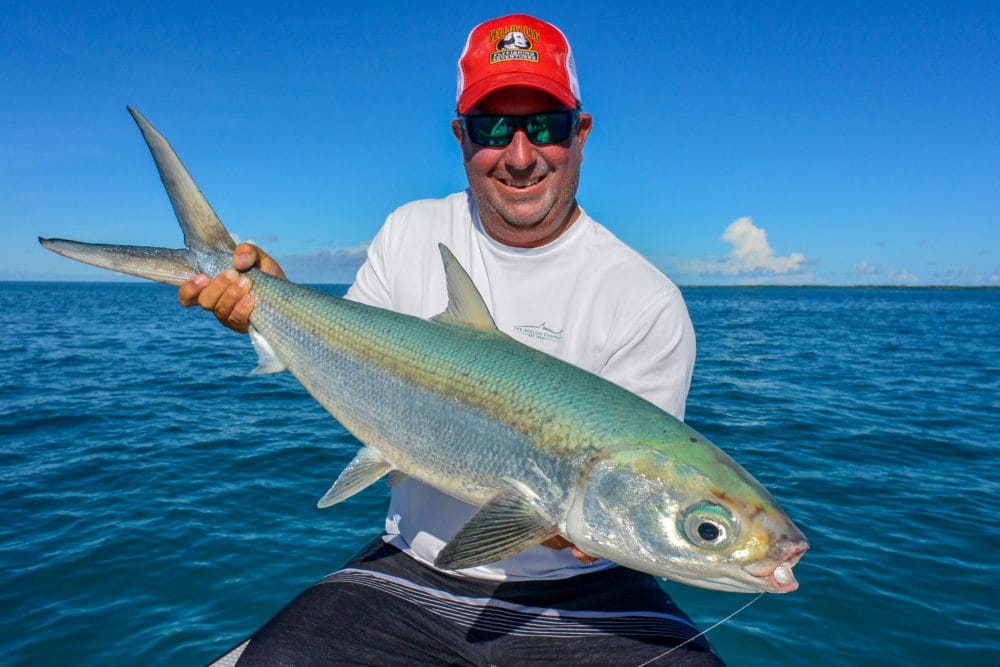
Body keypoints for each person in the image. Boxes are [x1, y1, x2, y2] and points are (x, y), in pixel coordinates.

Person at [189, 14, 721, 666]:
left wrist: (578, 519)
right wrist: (272, 302)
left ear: (581, 132)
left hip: (589, 590)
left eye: (545, 126)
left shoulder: (645, 300)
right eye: (494, 128)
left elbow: (620, 509)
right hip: (413, 568)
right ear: (460, 136)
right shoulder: (409, 231)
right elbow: (353, 362)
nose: (520, 154)